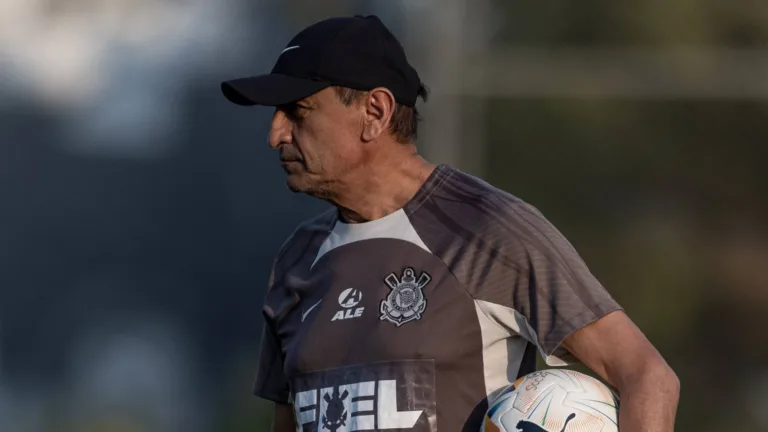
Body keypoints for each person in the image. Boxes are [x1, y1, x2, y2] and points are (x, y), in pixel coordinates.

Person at [220, 14, 679, 432]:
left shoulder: (490, 228)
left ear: (374, 113)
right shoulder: (296, 262)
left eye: (297, 113)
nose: (275, 134)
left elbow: (647, 377)